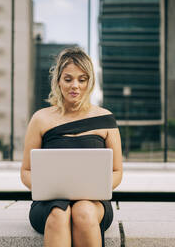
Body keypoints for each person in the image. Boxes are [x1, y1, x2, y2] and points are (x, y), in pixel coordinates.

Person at [20, 47, 123, 247]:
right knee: (59, 213)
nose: (74, 86)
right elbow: (26, 171)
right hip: (49, 204)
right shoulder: (40, 119)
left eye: (82, 79)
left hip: (94, 204)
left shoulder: (106, 119)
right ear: (58, 81)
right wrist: (46, 188)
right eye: (68, 79)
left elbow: (117, 171)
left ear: (90, 82)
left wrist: (93, 189)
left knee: (83, 212)